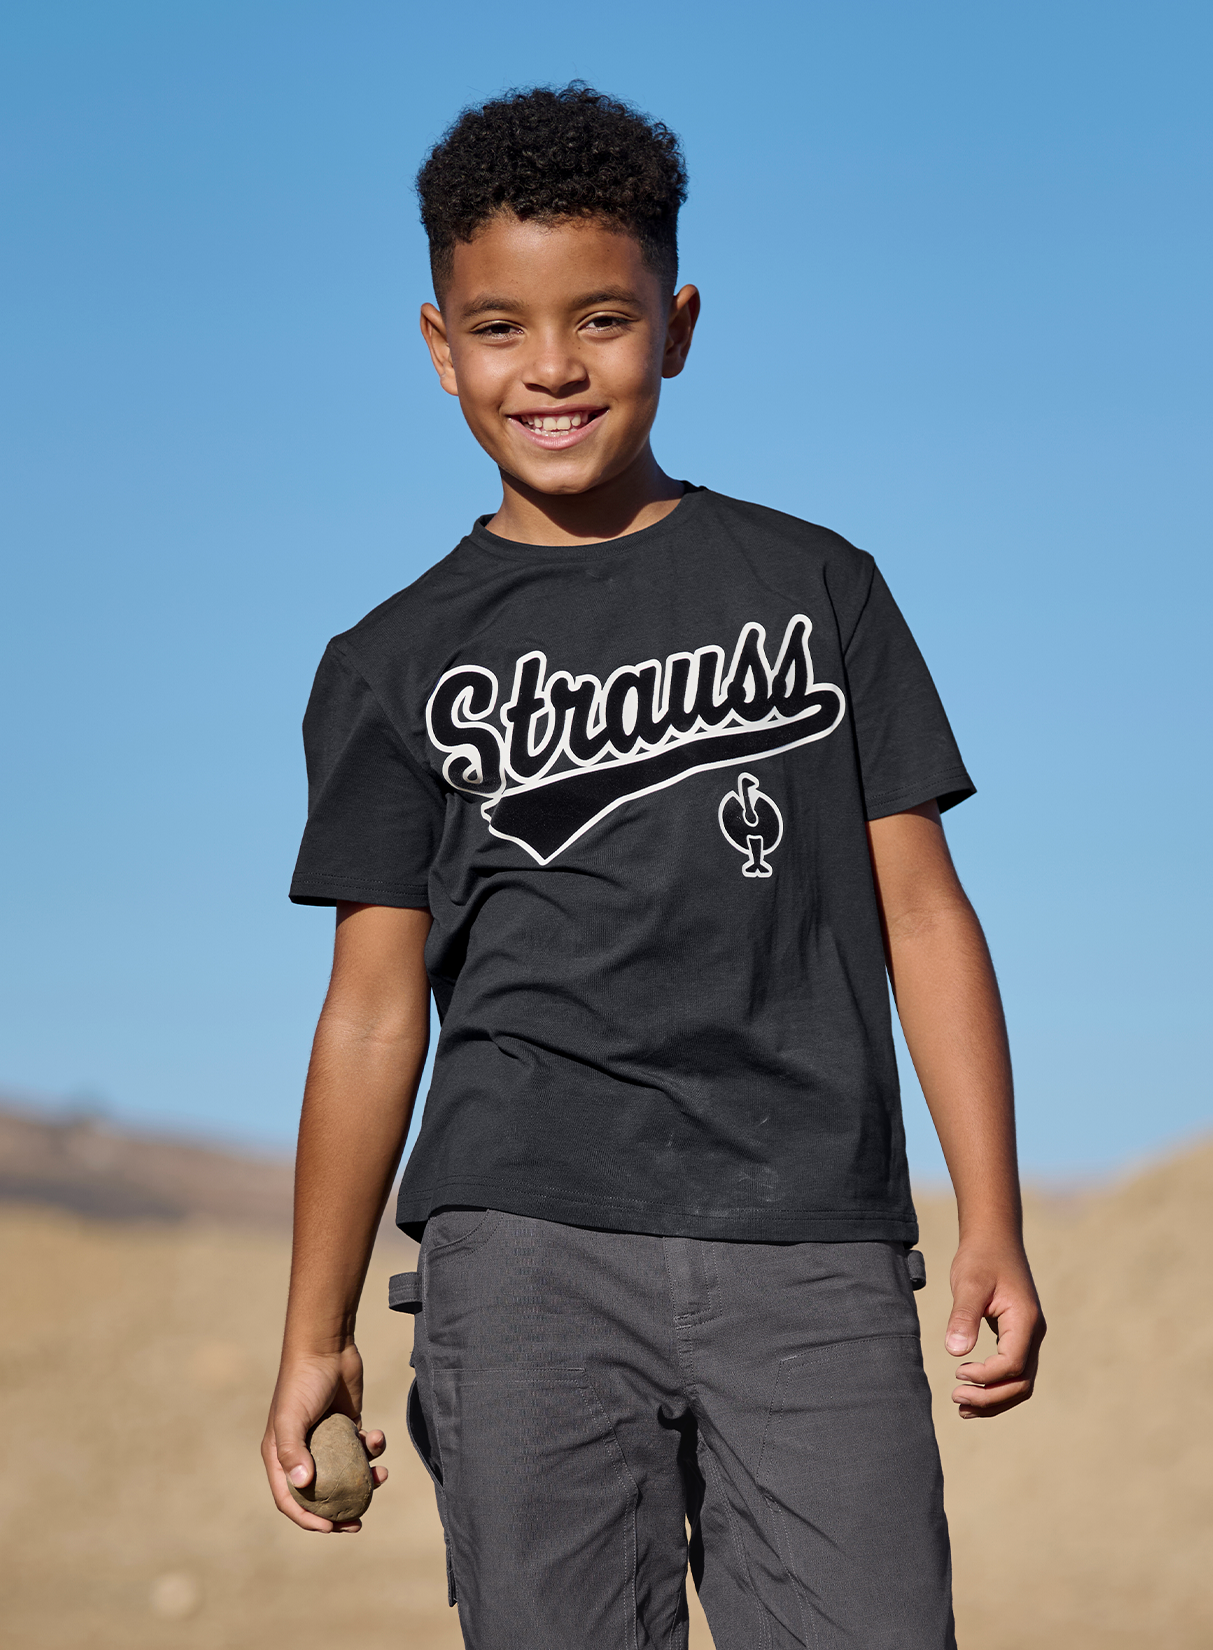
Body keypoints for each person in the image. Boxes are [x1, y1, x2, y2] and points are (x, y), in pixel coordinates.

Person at [261, 83, 1044, 1649]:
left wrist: (992, 1218)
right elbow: (367, 1013)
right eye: (498, 328)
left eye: (600, 319)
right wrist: (315, 1326)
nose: (550, 367)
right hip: (524, 1252)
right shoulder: (388, 663)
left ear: (676, 326)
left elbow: (923, 916)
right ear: (437, 345)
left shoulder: (818, 587)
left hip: (812, 1244)